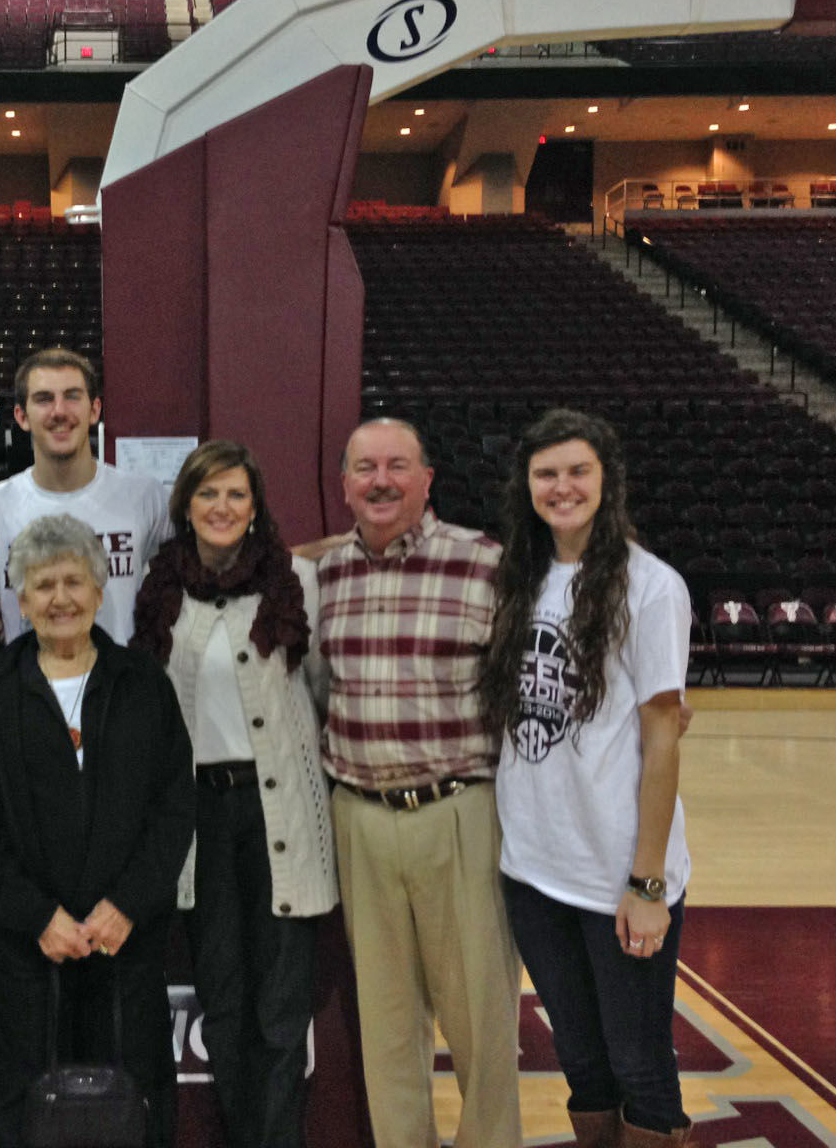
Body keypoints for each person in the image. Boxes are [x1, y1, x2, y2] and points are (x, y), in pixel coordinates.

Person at [477, 409, 694, 1148]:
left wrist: (648, 883)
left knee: (640, 1064)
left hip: (617, 874)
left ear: (607, 481)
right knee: (581, 1063)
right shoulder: (519, 575)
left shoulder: (650, 587)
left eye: (578, 471)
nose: (562, 487)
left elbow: (663, 741)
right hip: (535, 869)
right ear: (526, 485)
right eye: (546, 473)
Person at [0, 514, 194, 1148]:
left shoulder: (142, 683)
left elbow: (173, 807)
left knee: (136, 1101)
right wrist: (37, 917)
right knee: (32, 1108)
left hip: (126, 944)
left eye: (74, 581)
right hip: (33, 949)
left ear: (101, 586)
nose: (60, 598)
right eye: (43, 584)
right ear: (21, 598)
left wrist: (126, 906)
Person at [315, 418, 522, 1148]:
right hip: (360, 818)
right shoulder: (325, 574)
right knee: (387, 1024)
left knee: (482, 1020)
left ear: (427, 480)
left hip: (457, 811)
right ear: (343, 486)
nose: (380, 481)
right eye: (365, 468)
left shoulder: (485, 564)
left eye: (397, 466)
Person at [132, 440, 337, 1148]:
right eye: (207, 494)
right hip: (199, 820)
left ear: (255, 509)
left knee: (283, 1009)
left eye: (236, 495)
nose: (221, 507)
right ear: (184, 507)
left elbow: (324, 696)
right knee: (222, 1000)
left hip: (278, 813)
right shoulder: (160, 591)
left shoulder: (296, 583)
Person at [0, 348, 170, 644]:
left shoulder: (146, 498)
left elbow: (188, 575)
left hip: (119, 682)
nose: (59, 411)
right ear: (21, 416)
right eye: (44, 399)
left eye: (72, 396)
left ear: (95, 410)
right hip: (27, 684)